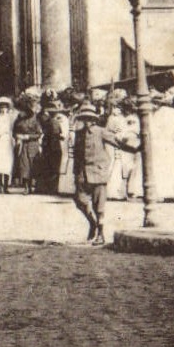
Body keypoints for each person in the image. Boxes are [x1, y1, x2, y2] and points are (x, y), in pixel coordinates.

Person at [71, 102, 118, 246]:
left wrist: (135, 147)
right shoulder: (79, 134)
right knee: (80, 201)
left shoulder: (101, 131)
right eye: (84, 119)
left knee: (99, 206)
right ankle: (93, 224)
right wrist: (75, 173)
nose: (86, 122)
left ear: (94, 120)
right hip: (82, 174)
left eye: (89, 119)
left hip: (98, 173)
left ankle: (100, 234)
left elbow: (117, 141)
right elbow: (77, 154)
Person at [0, 96, 15, 192]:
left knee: (7, 163)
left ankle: (6, 186)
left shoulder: (10, 118)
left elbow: (12, 129)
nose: (3, 109)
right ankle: (0, 185)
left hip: (7, 141)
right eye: (1, 107)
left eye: (5, 107)